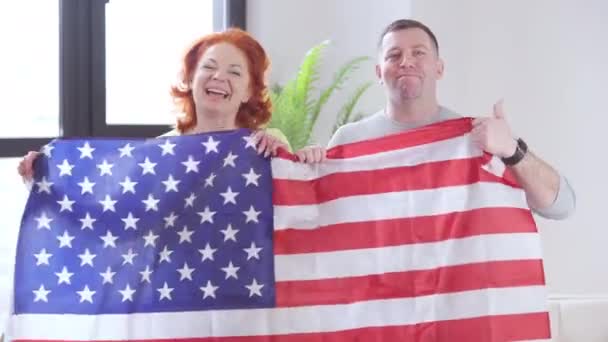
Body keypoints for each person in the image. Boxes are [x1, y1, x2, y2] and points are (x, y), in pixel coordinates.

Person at [297, 19, 575, 220]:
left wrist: (513, 150)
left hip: (453, 296)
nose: (406, 61)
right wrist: (305, 168)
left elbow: (561, 205)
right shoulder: (350, 139)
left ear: (439, 68)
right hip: (379, 296)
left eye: (419, 52)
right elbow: (316, 218)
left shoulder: (477, 137)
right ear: (379, 72)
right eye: (394, 55)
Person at [18, 28, 292, 181]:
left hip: (244, 280)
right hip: (174, 280)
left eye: (234, 72)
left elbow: (299, 218)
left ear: (249, 92)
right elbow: (108, 200)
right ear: (189, 79)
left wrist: (310, 163)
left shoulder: (268, 145)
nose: (219, 76)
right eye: (209, 67)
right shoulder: (160, 151)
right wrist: (44, 174)